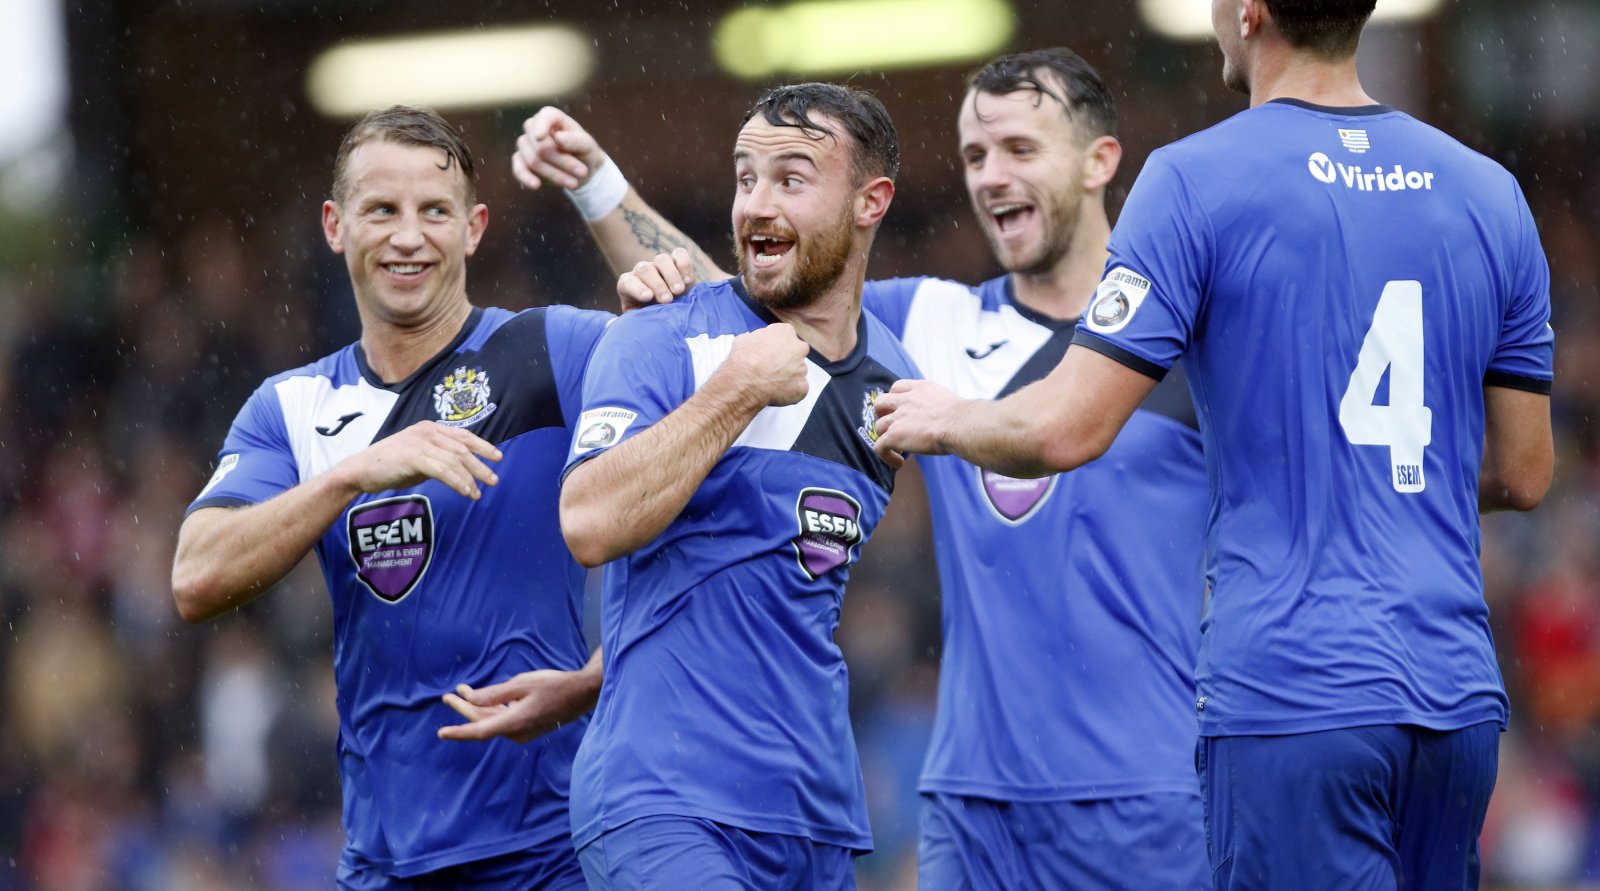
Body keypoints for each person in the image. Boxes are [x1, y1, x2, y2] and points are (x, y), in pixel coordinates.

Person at [872, 0, 1556, 891]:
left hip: (1292, 693)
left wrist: (948, 418)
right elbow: (1524, 471)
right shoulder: (1488, 193)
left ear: (1247, 9)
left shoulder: (1195, 177)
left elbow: (1067, 429)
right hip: (1452, 696)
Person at [511, 48, 1211, 889]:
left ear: (1101, 161)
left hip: (1156, 786)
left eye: (1021, 150)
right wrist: (600, 189)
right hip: (976, 806)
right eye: (976, 155)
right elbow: (765, 300)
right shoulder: (930, 328)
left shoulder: (1185, 348)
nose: (992, 176)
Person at [172, 106, 608, 890]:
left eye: (434, 211)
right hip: (383, 864)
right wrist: (350, 474)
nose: (408, 236)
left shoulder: (552, 349)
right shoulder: (292, 406)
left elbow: (728, 355)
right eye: (383, 210)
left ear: (473, 228)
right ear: (336, 226)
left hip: (555, 853)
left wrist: (599, 676)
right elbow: (194, 575)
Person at [551, 83, 914, 888]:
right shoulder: (660, 330)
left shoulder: (894, 388)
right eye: (745, 177)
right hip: (665, 800)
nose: (756, 202)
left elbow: (753, 576)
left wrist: (601, 666)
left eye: (790, 177)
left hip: (814, 817)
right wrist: (736, 390)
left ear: (870, 201)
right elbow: (589, 519)